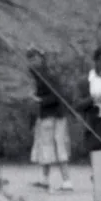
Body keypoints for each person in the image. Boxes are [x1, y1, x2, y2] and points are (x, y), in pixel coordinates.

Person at [27, 48, 73, 191]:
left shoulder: (48, 76)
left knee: (59, 145)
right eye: (30, 59)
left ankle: (67, 181)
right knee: (45, 145)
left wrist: (38, 100)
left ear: (41, 59)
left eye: (34, 58)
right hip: (46, 115)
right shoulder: (39, 75)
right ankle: (45, 179)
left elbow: (57, 96)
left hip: (55, 116)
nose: (32, 62)